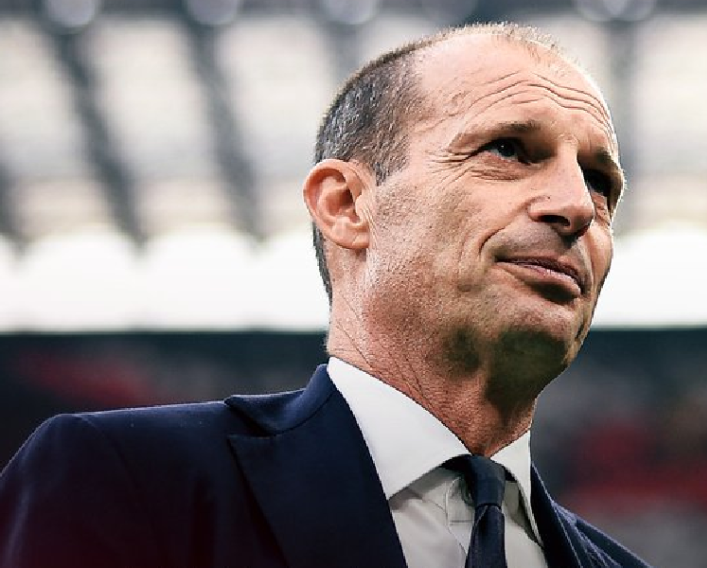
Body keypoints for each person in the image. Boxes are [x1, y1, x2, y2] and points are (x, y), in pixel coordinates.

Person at [0, 23, 650, 568]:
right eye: (508, 149)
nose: (577, 206)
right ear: (345, 205)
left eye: (600, 181)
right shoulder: (122, 479)